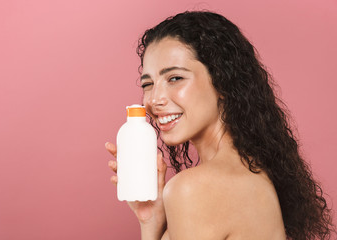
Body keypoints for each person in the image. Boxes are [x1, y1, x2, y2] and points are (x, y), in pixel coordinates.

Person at [105, 11, 335, 239]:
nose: (154, 99)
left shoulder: (193, 189)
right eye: (148, 83)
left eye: (175, 78)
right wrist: (151, 222)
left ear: (222, 81)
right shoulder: (252, 173)